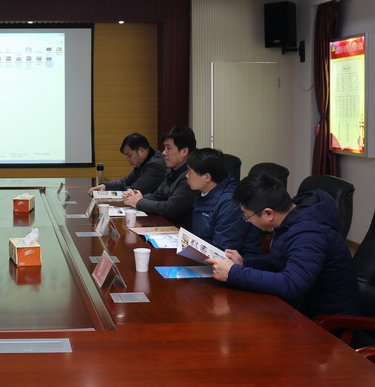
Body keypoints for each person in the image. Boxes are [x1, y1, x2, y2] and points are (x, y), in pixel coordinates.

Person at [206, 173, 360, 319]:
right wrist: (244, 263)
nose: (247, 220)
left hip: (325, 321)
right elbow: (280, 259)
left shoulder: (309, 233)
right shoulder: (292, 218)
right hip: (300, 309)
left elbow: (292, 285)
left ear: (268, 214)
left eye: (247, 216)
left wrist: (233, 273)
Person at [185, 148, 260, 257]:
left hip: (234, 262)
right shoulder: (203, 193)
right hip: (206, 256)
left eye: (189, 172)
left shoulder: (231, 202)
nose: (187, 176)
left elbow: (223, 249)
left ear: (207, 177)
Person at [123, 126, 196, 230]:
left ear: (184, 151)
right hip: (165, 226)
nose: (164, 152)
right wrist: (137, 197)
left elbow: (169, 208)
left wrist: (138, 202)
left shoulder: (191, 176)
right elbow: (158, 195)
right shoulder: (172, 170)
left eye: (168, 148)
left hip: (179, 232)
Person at [88, 133, 166, 196]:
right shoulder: (144, 161)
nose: (127, 159)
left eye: (129, 155)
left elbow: (135, 190)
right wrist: (105, 186)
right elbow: (126, 181)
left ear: (141, 151)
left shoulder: (156, 165)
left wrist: (125, 189)